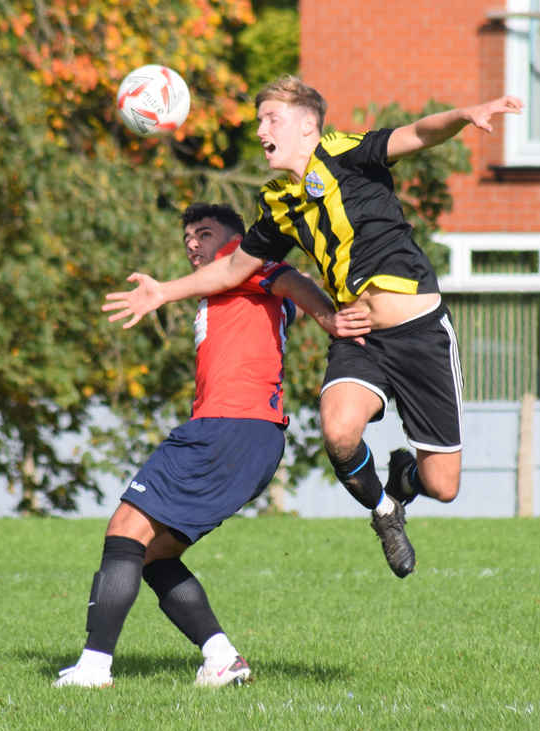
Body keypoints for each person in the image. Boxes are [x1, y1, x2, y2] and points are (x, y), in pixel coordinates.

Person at [102, 78, 523, 580]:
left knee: (442, 485)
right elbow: (235, 268)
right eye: (259, 120)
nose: (260, 130)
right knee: (339, 431)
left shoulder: (345, 152)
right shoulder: (278, 201)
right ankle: (385, 512)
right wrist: (163, 291)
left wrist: (463, 113)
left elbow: (416, 134)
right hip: (358, 334)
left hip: (419, 333)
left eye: (270, 119)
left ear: (308, 125)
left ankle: (403, 481)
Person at [54, 202, 368, 689]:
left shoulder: (243, 267)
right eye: (187, 240)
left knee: (125, 530)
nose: (193, 245)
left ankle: (94, 668)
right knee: (152, 555)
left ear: (235, 241)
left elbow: (284, 277)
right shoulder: (222, 287)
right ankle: (221, 658)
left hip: (228, 428)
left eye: (204, 233)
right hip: (249, 436)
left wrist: (327, 315)